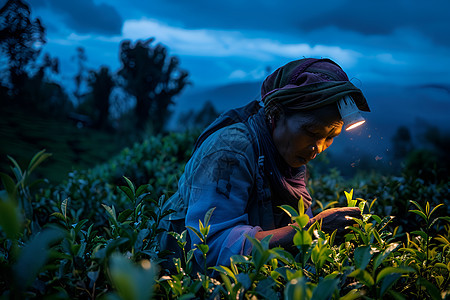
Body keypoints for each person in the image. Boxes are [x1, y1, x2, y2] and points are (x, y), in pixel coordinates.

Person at [159, 58, 371, 272]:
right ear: (276, 115)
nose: (318, 147)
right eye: (311, 132)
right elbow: (210, 246)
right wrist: (310, 230)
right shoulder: (231, 150)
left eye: (330, 137)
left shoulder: (288, 160)